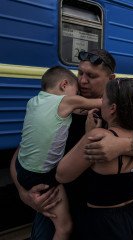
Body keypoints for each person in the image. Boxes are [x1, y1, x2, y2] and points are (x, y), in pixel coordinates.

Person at [10, 49, 133, 239]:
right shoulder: (57, 105)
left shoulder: (123, 108)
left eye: (91, 76)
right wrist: (23, 193)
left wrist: (119, 145)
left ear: (110, 78)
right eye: (80, 73)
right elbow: (22, 152)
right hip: (56, 206)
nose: (82, 81)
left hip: (98, 218)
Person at [56, 78, 133, 239]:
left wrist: (88, 133)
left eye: (104, 100)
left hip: (104, 224)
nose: (101, 103)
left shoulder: (97, 137)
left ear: (113, 108)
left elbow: (62, 175)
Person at [15, 66, 102, 240]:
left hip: (22, 167)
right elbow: (100, 103)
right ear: (64, 85)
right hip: (43, 175)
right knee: (64, 227)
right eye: (75, 91)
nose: (78, 93)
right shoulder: (66, 102)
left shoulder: (33, 102)